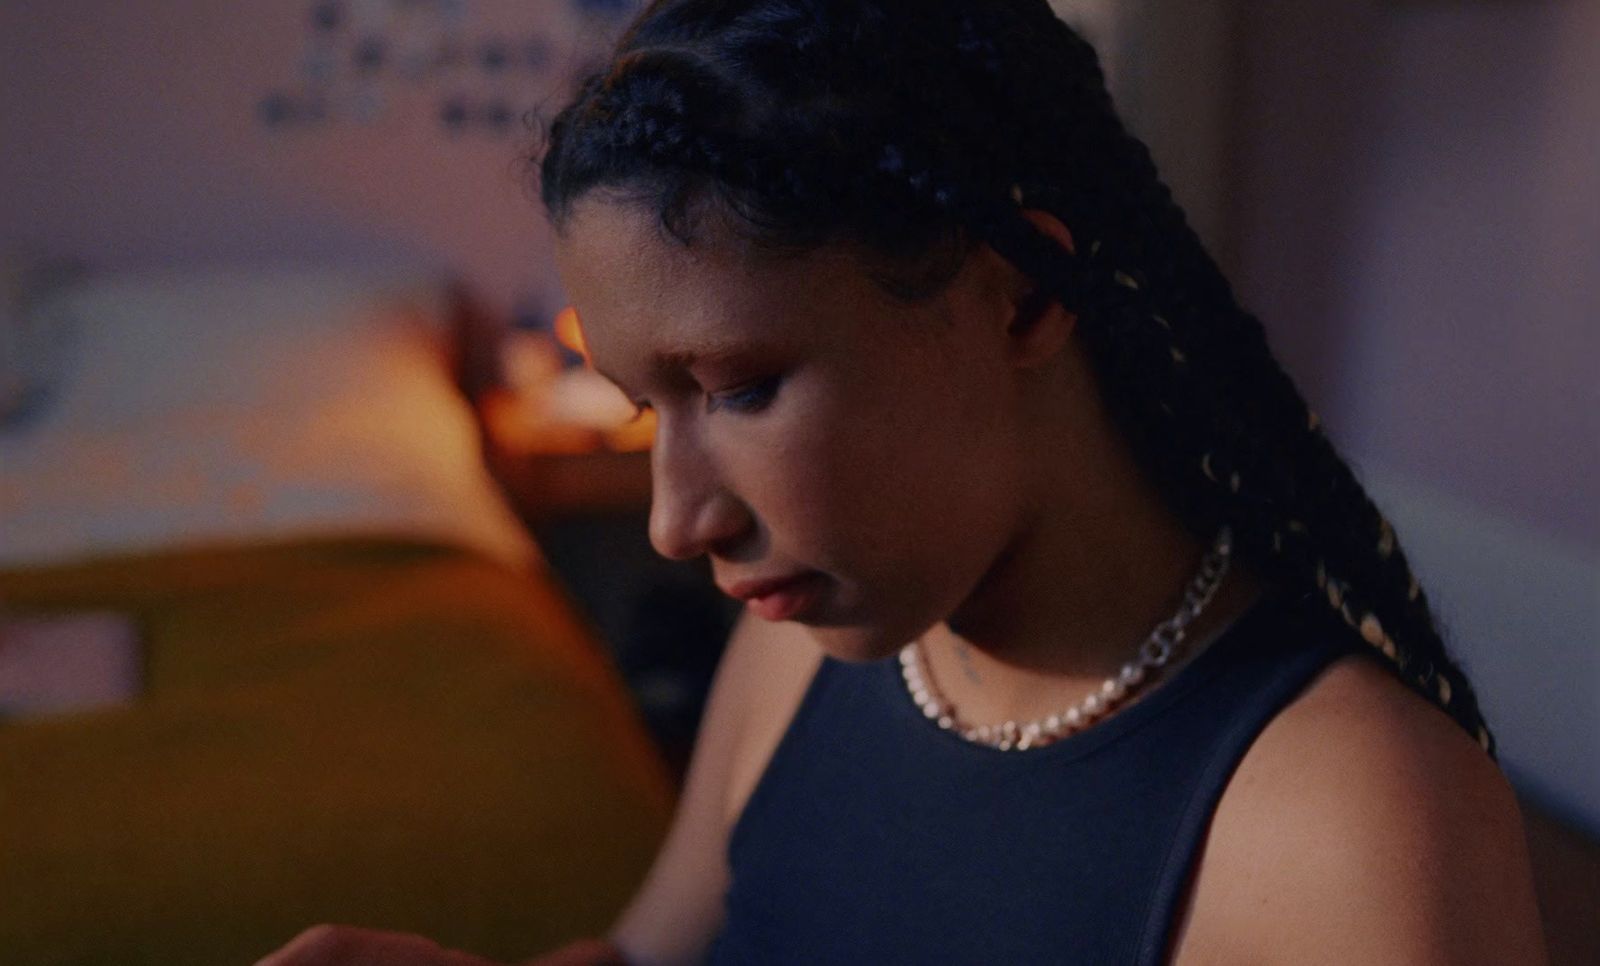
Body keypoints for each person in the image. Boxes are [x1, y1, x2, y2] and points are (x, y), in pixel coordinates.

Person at [259, 1, 1548, 963]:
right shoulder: (813, 647)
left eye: (743, 387)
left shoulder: (1350, 825)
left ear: (1023, 292)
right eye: (646, 406)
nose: (673, 520)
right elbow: (654, 953)